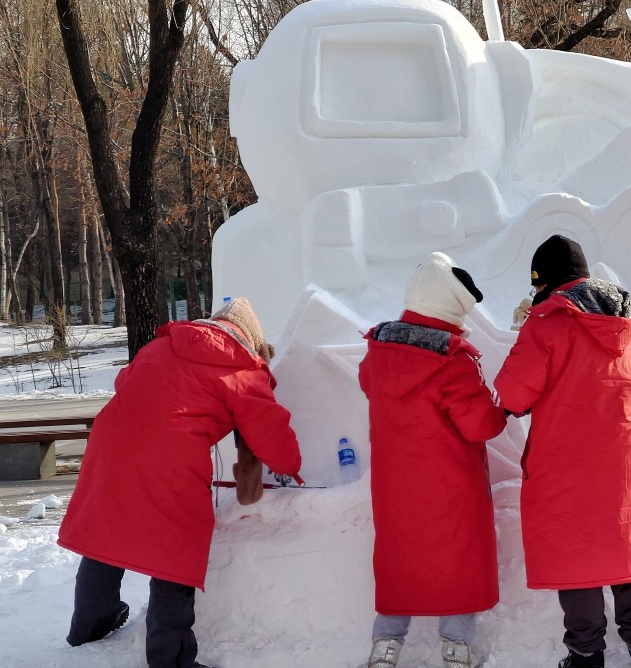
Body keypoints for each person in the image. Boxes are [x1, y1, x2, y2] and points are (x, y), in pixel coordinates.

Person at [58, 297, 303, 668]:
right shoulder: (242, 367)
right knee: (176, 550)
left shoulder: (160, 345)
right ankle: (170, 657)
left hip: (109, 445)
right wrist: (292, 466)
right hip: (170, 458)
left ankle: (90, 627)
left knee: (106, 530)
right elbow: (270, 430)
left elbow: (125, 381)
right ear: (250, 339)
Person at [494, 235, 631, 668]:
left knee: (575, 553)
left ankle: (585, 653)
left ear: (544, 283)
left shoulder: (547, 323)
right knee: (624, 540)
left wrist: (530, 325)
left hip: (566, 461)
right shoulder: (621, 322)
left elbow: (512, 396)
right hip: (621, 459)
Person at [357, 252, 508, 668]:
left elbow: (369, 384)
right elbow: (482, 425)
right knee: (457, 559)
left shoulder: (378, 352)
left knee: (398, 557)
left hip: (394, 486)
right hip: (450, 486)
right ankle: (456, 649)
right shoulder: (452, 361)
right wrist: (504, 404)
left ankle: (385, 647)